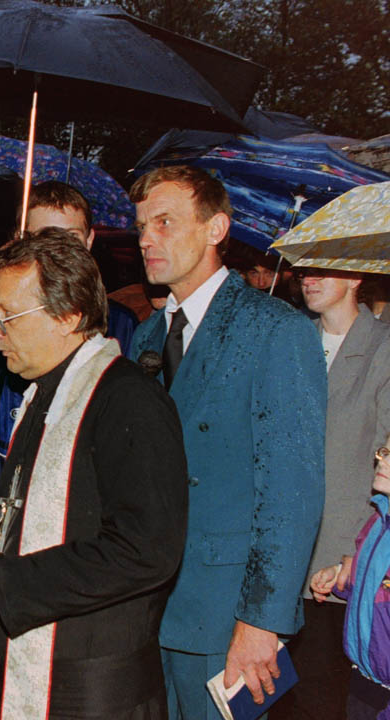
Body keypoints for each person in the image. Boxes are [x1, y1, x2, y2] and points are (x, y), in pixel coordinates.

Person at [0, 229, 188, 719]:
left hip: (95, 692)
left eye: (6, 317)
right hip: (37, 672)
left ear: (68, 315)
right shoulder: (41, 393)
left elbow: (147, 550)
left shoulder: (128, 399)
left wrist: (9, 580)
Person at [127, 165, 326, 719]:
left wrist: (262, 622)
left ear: (215, 228)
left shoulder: (274, 329)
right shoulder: (146, 335)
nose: (146, 239)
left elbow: (292, 491)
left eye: (164, 222)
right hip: (148, 610)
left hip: (225, 616)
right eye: (141, 226)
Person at [0, 181, 138, 544]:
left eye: (70, 239)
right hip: (5, 504)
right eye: (42, 239)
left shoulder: (123, 324)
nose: (57, 253)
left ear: (90, 241)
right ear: (20, 240)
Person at [273, 268, 390, 717]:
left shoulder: (382, 347)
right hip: (280, 553)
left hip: (339, 556)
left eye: (326, 269)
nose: (310, 279)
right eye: (306, 270)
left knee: (321, 695)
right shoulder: (290, 337)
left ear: (356, 277)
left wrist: (356, 552)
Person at [309, 433, 390, 719]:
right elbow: (374, 587)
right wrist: (339, 575)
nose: (382, 461)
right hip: (363, 680)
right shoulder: (377, 521)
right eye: (384, 452)